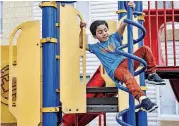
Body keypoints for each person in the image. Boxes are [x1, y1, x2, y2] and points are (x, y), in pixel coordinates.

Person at [80, 1, 165, 112]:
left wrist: (131, 11)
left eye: (105, 30)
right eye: (100, 32)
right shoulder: (95, 47)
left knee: (145, 49)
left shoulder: (114, 38)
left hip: (126, 62)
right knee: (126, 75)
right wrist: (81, 30)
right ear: (96, 36)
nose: (104, 33)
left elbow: (124, 24)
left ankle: (152, 74)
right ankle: (143, 99)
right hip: (116, 69)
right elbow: (81, 44)